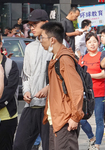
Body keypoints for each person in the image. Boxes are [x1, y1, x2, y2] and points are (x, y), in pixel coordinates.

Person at [40, 22, 84, 150]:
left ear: (52, 40)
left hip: (65, 121)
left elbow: (76, 90)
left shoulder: (64, 59)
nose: (40, 40)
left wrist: (75, 117)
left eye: (42, 37)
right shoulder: (56, 57)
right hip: (57, 119)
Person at [13, 9, 51, 150]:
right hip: (31, 105)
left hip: (50, 107)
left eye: (35, 24)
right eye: (30, 25)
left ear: (46, 23)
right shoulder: (30, 48)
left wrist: (49, 87)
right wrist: (27, 91)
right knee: (19, 145)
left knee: (49, 146)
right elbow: (26, 75)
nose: (32, 28)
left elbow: (62, 76)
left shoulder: (58, 45)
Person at [78, 32, 105, 150]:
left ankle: (97, 145)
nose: (92, 44)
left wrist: (88, 75)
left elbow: (103, 74)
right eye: (89, 42)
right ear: (86, 44)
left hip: (100, 93)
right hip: (86, 94)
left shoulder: (102, 56)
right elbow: (79, 74)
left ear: (98, 42)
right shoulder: (83, 58)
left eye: (94, 41)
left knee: (99, 120)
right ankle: (91, 137)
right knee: (81, 119)